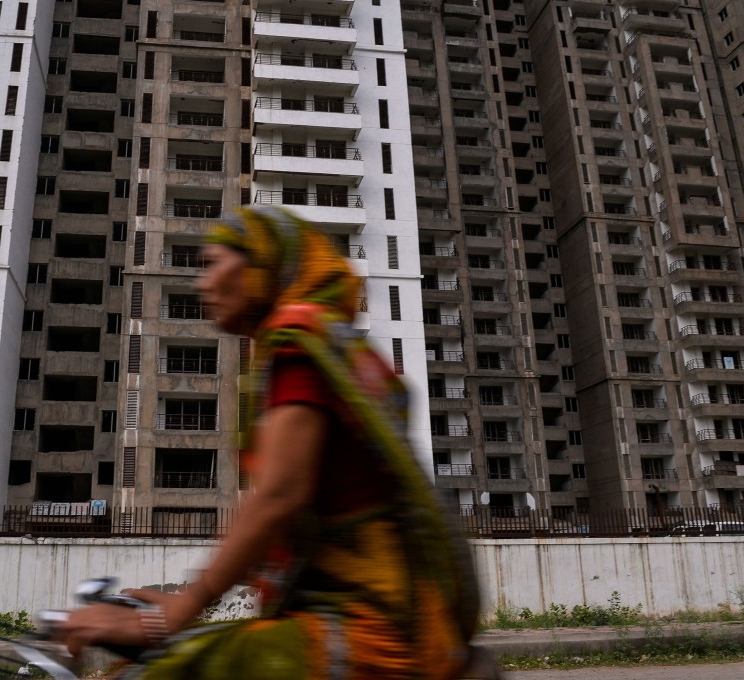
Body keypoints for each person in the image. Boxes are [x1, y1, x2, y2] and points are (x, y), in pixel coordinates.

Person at [57, 207, 490, 679]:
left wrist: (174, 616)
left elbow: (280, 496)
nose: (202, 284)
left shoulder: (296, 344)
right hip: (405, 618)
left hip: (368, 635)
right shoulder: (339, 347)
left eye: (213, 263)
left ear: (261, 266)